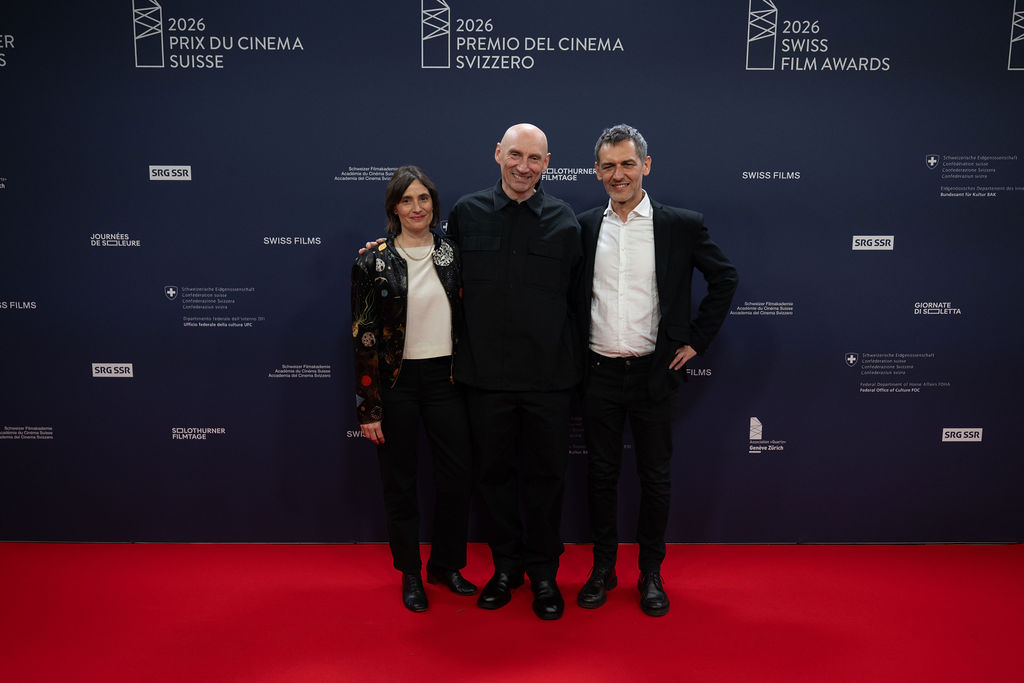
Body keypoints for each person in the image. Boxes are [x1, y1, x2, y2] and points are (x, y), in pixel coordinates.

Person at [575, 125, 738, 617]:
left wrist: (696, 340)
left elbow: (724, 277)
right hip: (597, 373)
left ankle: (650, 572)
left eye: (627, 164)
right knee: (600, 477)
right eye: (608, 166)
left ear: (646, 165)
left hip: (655, 374)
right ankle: (603, 569)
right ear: (596, 171)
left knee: (655, 478)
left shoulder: (680, 225)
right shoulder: (582, 227)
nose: (618, 175)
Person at [446, 123, 583, 620]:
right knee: (493, 478)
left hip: (549, 380)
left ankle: (544, 572)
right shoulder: (465, 213)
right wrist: (387, 251)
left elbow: (577, 302)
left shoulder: (566, 221)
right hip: (484, 379)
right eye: (515, 155)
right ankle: (506, 568)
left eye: (535, 158)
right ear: (497, 154)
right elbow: (437, 277)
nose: (524, 167)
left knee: (547, 479)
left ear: (547, 164)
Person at [351, 166, 476, 613]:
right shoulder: (372, 262)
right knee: (399, 483)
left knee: (456, 479)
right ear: (394, 208)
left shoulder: (454, 254)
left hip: (448, 381)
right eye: (407, 200)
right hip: (396, 384)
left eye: (423, 198)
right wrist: (369, 407)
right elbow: (364, 336)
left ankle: (446, 565)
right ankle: (410, 573)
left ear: (434, 205)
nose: (416, 207)